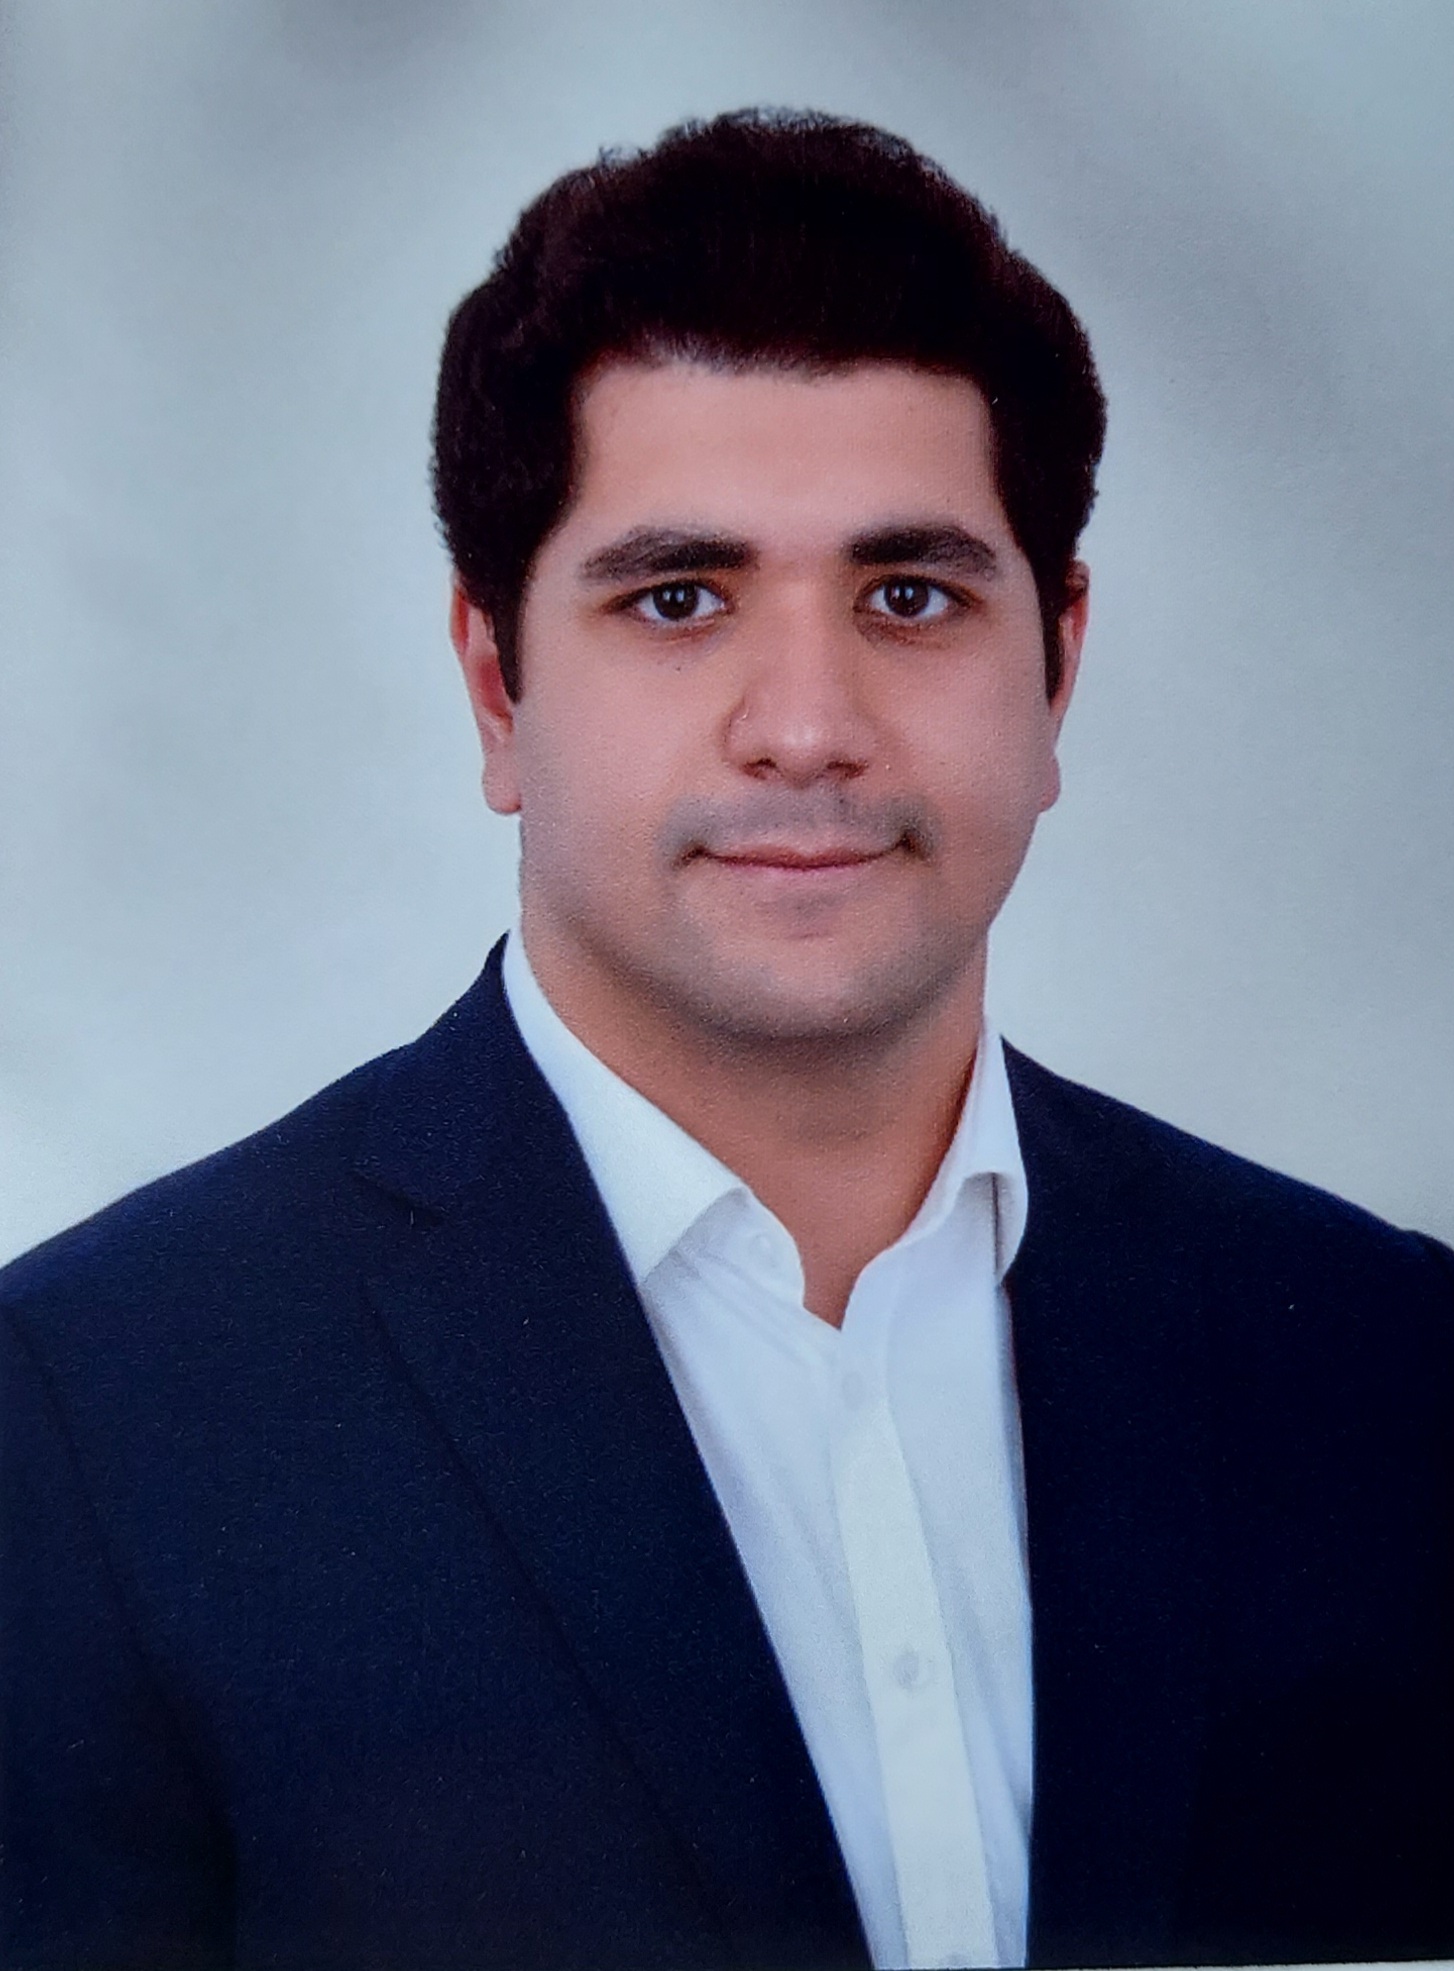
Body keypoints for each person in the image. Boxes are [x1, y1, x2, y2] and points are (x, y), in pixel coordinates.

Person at [3, 109, 1451, 1971]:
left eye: (909, 596)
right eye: (677, 599)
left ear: (1057, 664)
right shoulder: (93, 1419)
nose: (806, 726)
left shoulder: (1386, 1366)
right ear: (496, 684)